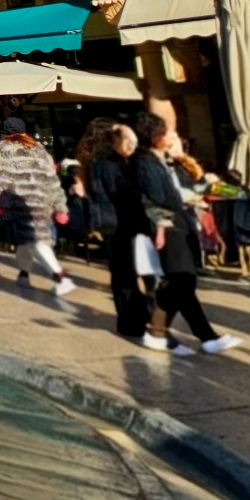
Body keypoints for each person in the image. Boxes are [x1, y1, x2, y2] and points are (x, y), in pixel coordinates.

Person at [136, 115, 242, 356]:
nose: (174, 140)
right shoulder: (146, 162)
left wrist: (224, 191)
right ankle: (163, 332)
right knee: (183, 280)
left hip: (181, 223)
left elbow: (192, 187)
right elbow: (164, 196)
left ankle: (181, 334)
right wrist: (191, 197)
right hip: (167, 224)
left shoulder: (172, 163)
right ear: (156, 137)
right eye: (169, 136)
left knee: (183, 282)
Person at [81, 117, 152, 338]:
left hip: (117, 225)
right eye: (129, 141)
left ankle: (136, 316)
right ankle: (133, 321)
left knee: (125, 272)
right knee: (126, 274)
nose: (133, 146)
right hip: (121, 224)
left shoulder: (99, 162)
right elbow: (121, 194)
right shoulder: (110, 165)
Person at [0, 126, 77, 295]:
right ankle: (23, 275)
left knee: (34, 241)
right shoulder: (40, 150)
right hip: (44, 200)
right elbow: (52, 179)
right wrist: (59, 206)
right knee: (25, 241)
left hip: (22, 202)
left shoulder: (6, 150)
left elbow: (2, 178)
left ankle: (60, 276)